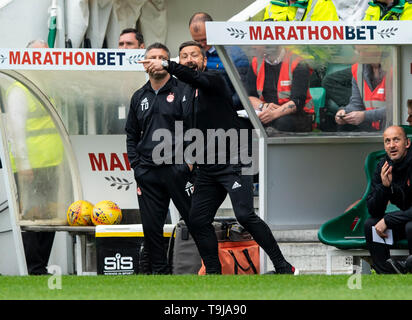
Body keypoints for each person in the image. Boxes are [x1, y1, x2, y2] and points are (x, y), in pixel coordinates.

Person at [140, 41, 298, 275]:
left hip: (235, 158)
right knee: (197, 220)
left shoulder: (214, 79)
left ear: (204, 60)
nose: (189, 59)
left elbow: (193, 78)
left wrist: (165, 63)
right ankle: (214, 272)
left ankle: (284, 267)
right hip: (207, 166)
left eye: (195, 55)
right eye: (184, 56)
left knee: (245, 215)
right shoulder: (182, 91)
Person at [125, 42, 193, 274]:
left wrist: (189, 163)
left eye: (161, 57)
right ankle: (160, 274)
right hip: (148, 172)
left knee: (196, 221)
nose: (156, 61)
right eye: (151, 57)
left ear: (169, 63)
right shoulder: (138, 96)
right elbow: (131, 135)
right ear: (144, 64)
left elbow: (195, 129)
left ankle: (210, 268)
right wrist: (136, 165)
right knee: (152, 228)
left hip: (178, 169)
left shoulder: (183, 90)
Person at [6, 40, 63, 275]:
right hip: (31, 165)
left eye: (45, 55)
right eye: (36, 55)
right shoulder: (20, 89)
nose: (42, 59)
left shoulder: (49, 85)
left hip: (52, 162)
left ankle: (40, 266)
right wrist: (24, 163)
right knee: (32, 217)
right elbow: (15, 130)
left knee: (50, 216)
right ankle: (33, 267)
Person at [364, 125, 412, 274]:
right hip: (404, 220)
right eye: (387, 141)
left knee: (411, 227)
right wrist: (384, 188)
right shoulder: (382, 166)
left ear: (407, 143)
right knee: (371, 225)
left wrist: (388, 220)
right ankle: (386, 272)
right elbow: (373, 209)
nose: (392, 145)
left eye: (396, 140)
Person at [246, 46, 314, 132]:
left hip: (297, 115)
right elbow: (249, 96)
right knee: (242, 122)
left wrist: (273, 114)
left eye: (258, 43)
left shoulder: (298, 63)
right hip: (266, 111)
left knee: (282, 123)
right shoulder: (256, 62)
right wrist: (263, 106)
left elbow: (298, 101)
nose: (253, 47)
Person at [334, 62, 386, 132]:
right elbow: (356, 104)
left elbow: (397, 109)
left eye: (363, 50)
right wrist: (344, 112)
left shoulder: (396, 67)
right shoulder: (358, 69)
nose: (358, 54)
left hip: (391, 130)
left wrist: (365, 116)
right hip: (372, 130)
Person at [263, 0, 339, 21]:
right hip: (281, 58)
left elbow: (330, 44)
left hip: (311, 59)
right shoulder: (271, 6)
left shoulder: (321, 3)